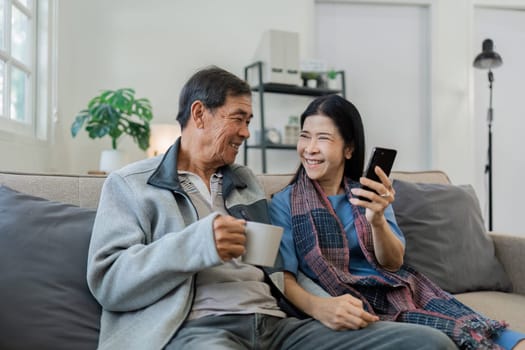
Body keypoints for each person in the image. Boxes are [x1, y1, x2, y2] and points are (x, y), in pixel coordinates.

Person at [87, 66, 458, 350]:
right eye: (238, 119)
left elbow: (278, 267)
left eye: (249, 121)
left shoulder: (245, 181)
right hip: (200, 328)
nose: (247, 132)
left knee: (429, 343)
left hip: (277, 326)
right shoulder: (130, 184)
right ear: (199, 115)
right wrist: (198, 243)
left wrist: (322, 306)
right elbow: (108, 282)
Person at [269, 94, 525, 350]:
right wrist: (319, 307)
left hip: (400, 290)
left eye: (322, 138)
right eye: (305, 136)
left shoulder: (369, 194)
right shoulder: (284, 203)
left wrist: (377, 220)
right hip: (353, 302)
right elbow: (283, 276)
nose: (309, 148)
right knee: (445, 338)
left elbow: (392, 262)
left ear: (349, 149)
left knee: (508, 339)